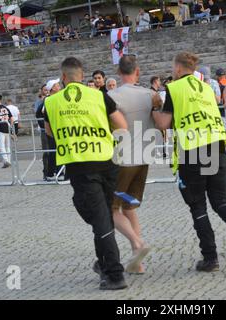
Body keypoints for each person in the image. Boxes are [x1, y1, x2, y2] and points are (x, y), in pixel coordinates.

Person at [152, 52, 226, 271]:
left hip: (192, 151)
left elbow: (164, 123)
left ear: (178, 68)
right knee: (220, 201)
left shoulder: (175, 89)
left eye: (173, 68)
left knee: (198, 206)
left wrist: (154, 107)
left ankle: (210, 258)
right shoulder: (206, 88)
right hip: (216, 146)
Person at [44, 57, 128, 290]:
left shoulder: (51, 102)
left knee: (99, 219)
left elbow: (50, 133)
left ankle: (114, 274)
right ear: (82, 76)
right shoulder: (99, 96)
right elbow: (122, 125)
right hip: (107, 161)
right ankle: (103, 263)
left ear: (63, 77)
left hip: (80, 166)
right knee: (103, 217)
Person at [108, 55, 162, 274]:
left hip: (122, 158)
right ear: (137, 71)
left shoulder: (111, 96)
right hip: (145, 157)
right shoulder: (151, 95)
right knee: (129, 206)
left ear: (119, 72)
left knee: (110, 208)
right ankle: (137, 262)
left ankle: (137, 243)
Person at [0, 94, 14, 168]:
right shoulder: (5, 107)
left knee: (1, 146)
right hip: (7, 128)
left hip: (0, 129)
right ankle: (9, 160)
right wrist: (10, 127)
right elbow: (12, 118)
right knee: (7, 146)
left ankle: (6, 161)